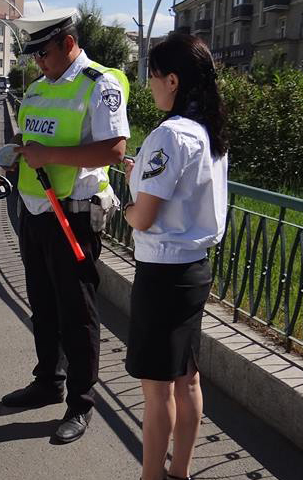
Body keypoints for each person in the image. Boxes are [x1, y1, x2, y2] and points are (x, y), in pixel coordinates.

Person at [1, 8, 130, 444]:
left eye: (44, 53)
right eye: (34, 55)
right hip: (37, 211)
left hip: (73, 213)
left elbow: (114, 149)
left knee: (77, 313)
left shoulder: (100, 84)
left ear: (68, 43)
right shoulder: (37, 89)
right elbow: (39, 136)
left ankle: (80, 402)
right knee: (44, 304)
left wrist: (48, 156)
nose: (38, 62)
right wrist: (19, 148)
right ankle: (47, 381)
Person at [121, 33, 229, 480]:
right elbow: (181, 193)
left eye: (152, 76)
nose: (149, 85)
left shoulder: (170, 134)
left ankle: (151, 476)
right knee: (187, 379)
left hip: (163, 274)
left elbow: (143, 218)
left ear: (173, 79)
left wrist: (121, 207)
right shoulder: (206, 132)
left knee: (157, 388)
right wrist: (139, 174)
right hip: (193, 270)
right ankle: (179, 473)